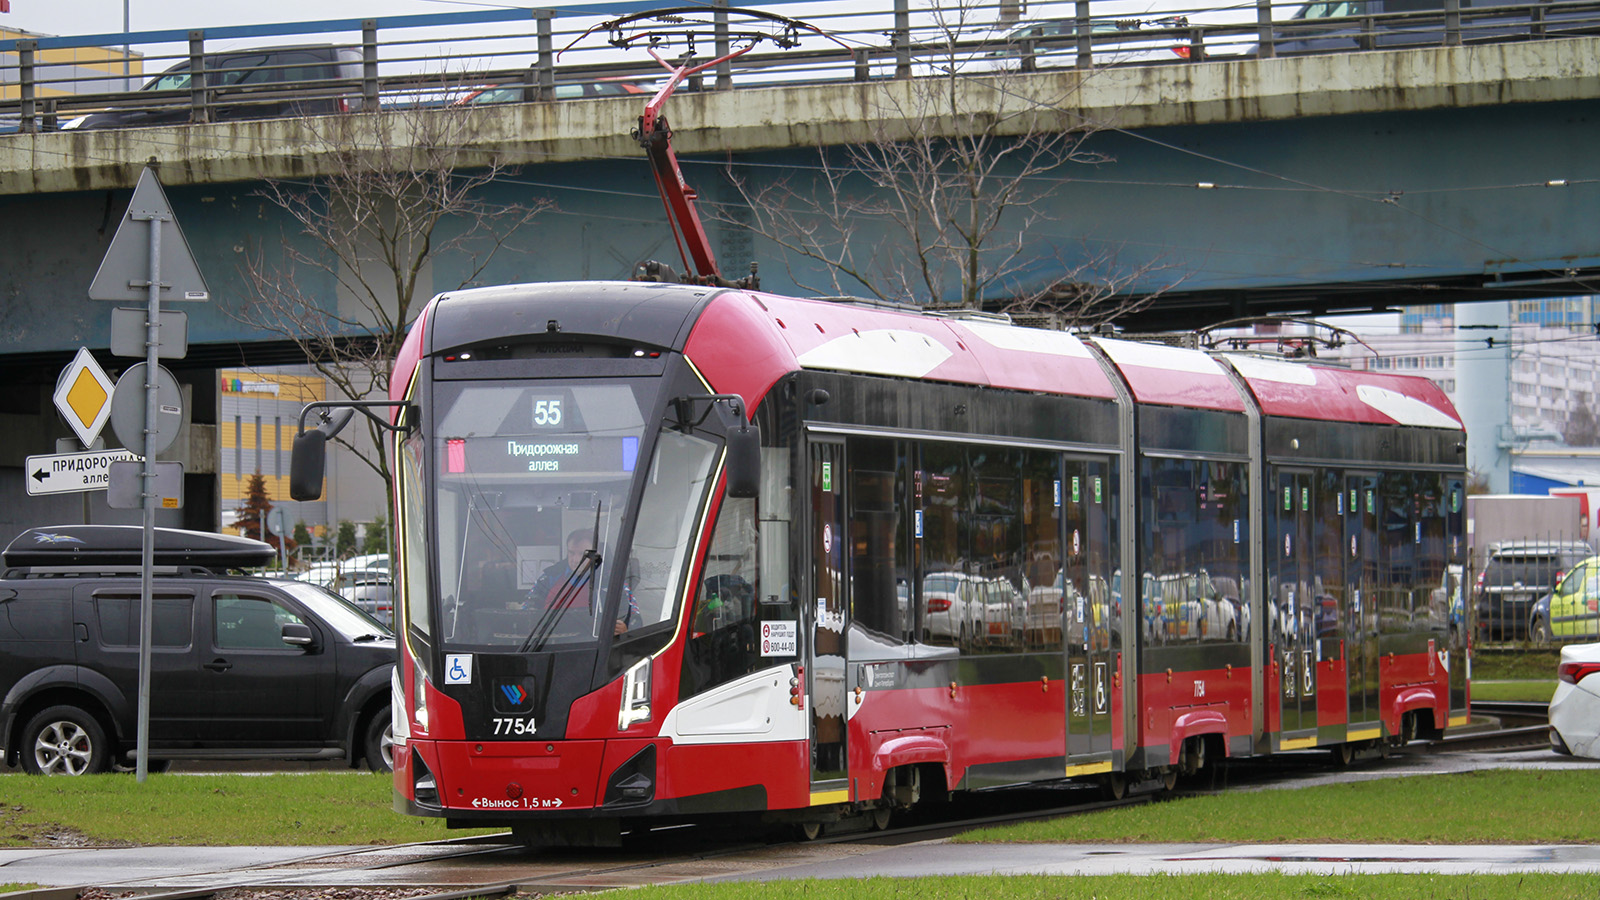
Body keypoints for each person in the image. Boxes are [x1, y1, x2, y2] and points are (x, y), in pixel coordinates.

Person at [529, 528, 638, 635]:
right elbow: (527, 610)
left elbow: (635, 618)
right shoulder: (550, 577)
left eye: (582, 554)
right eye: (571, 553)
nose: (576, 560)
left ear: (597, 553)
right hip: (550, 644)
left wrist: (625, 629)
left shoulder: (612, 580)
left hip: (594, 647)